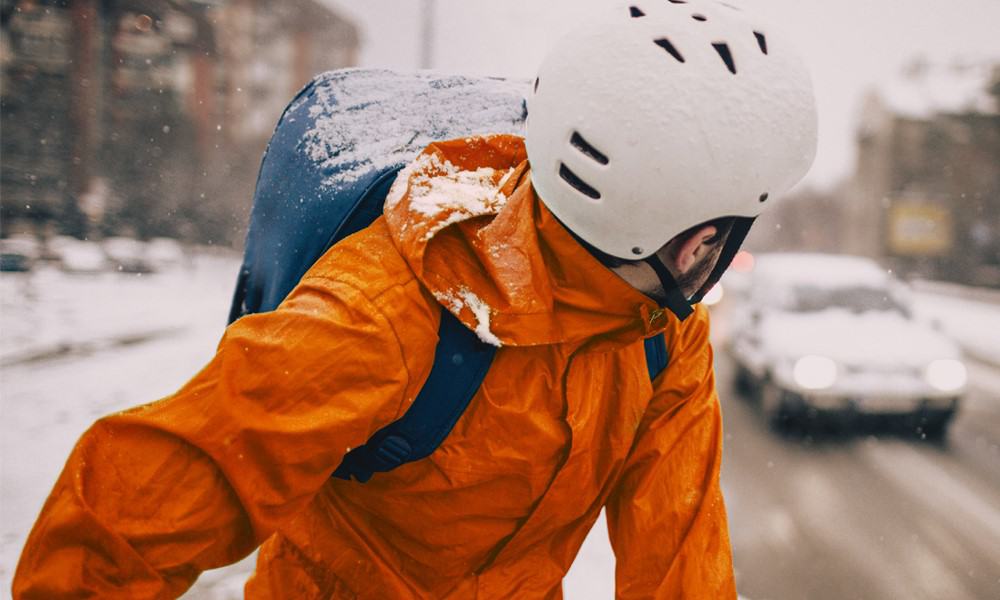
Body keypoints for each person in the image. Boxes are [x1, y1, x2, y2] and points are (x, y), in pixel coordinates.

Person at [13, 2, 816, 598]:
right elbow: (124, 510)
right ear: (693, 244)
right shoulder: (386, 310)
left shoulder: (663, 336)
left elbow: (682, 561)